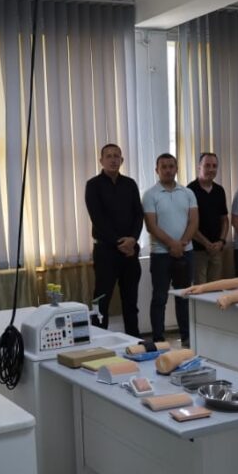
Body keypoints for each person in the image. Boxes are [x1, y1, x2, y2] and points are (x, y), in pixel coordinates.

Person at [84, 143, 143, 336]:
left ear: (122, 160)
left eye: (116, 156)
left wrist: (133, 239)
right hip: (106, 252)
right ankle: (98, 340)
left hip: (130, 252)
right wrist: (120, 243)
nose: (113, 159)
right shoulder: (93, 185)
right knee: (101, 301)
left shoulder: (130, 184)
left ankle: (134, 340)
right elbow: (98, 219)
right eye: (108, 156)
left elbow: (138, 215)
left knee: (131, 301)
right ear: (101, 160)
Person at [143, 153, 198, 345]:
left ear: (176, 169)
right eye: (163, 167)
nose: (168, 170)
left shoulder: (188, 193)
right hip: (161, 255)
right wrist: (172, 244)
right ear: (157, 170)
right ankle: (158, 340)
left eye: (171, 166)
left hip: (186, 253)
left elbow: (194, 221)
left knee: (184, 296)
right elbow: (151, 226)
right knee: (159, 298)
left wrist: (181, 243)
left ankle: (187, 337)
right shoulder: (150, 195)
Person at [187, 152, 230, 284]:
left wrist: (221, 241)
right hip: (197, 250)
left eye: (214, 166)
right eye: (207, 165)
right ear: (199, 167)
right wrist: (206, 244)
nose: (211, 169)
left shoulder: (219, 190)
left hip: (217, 249)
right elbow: (188, 224)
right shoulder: (189, 190)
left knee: (215, 288)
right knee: (200, 288)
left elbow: (224, 220)